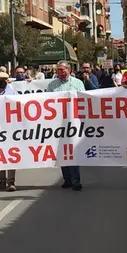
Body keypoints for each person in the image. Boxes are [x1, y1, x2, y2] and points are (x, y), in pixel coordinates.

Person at [46, 61, 86, 191]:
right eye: (58, 70)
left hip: (73, 121)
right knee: (63, 151)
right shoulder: (52, 85)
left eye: (62, 70)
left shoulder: (78, 83)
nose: (60, 72)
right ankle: (67, 179)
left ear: (68, 70)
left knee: (73, 151)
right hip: (59, 122)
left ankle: (76, 180)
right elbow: (46, 101)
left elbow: (83, 99)